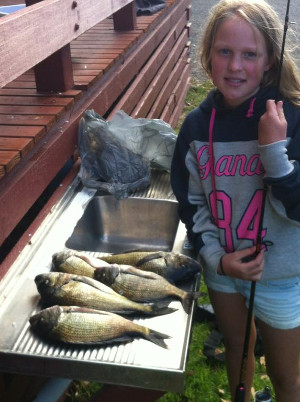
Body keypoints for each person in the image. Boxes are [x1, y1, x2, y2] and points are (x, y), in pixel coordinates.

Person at [170, 0, 300, 401]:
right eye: (225, 51)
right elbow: (191, 205)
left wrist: (275, 152)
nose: (235, 66)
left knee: (287, 377)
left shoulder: (290, 120)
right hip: (222, 270)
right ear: (207, 55)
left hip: (278, 279)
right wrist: (216, 257)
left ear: (269, 63)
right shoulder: (194, 128)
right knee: (237, 349)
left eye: (249, 54)